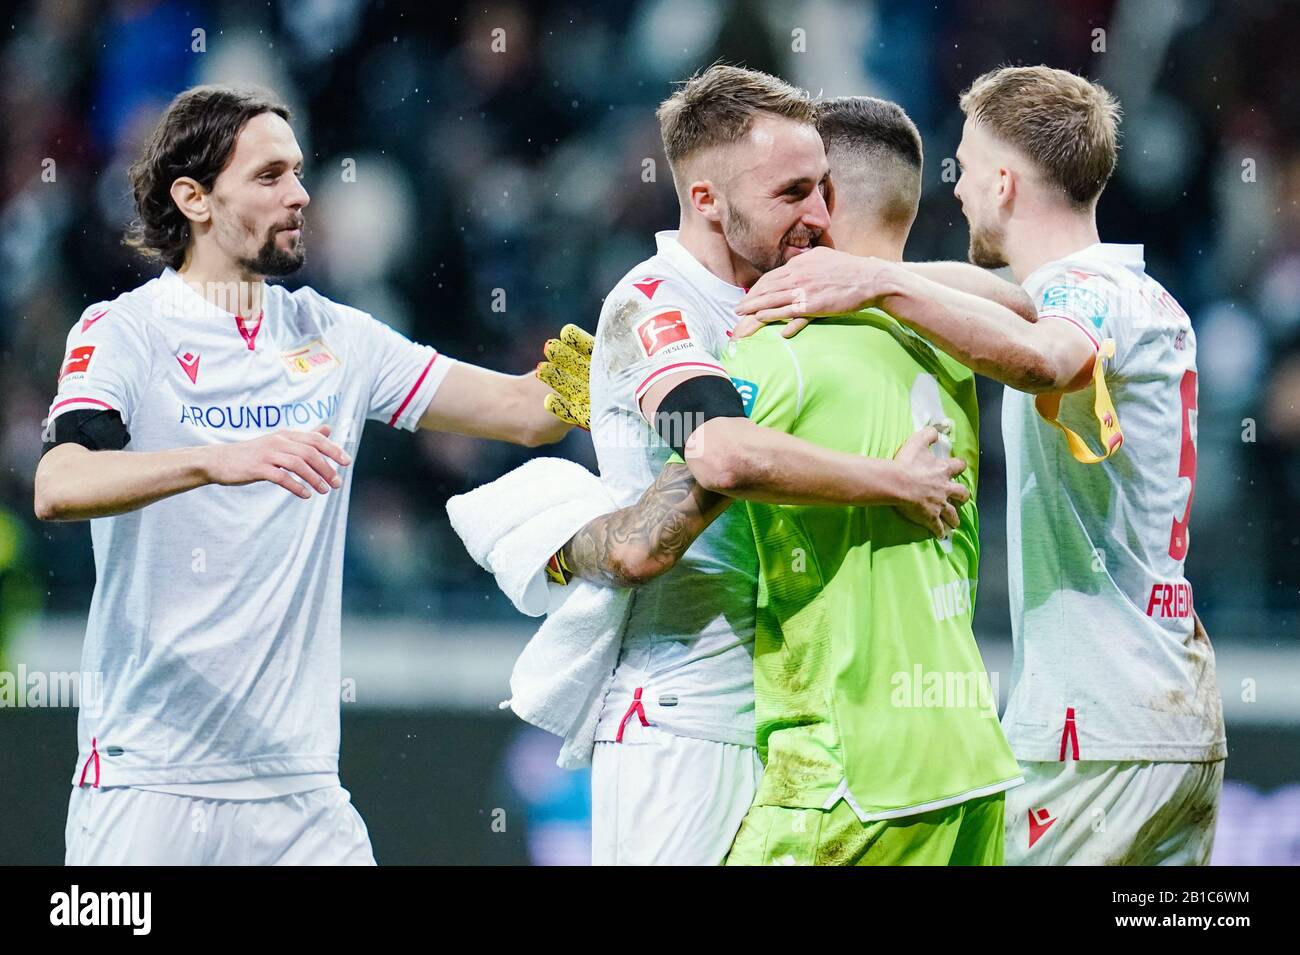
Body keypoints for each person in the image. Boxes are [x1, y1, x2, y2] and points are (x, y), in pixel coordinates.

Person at [35, 85, 573, 865]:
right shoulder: (124, 332)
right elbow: (60, 483)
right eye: (269, 176)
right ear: (194, 198)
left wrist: (619, 359)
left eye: (297, 171)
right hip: (147, 778)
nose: (300, 194)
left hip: (300, 791)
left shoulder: (335, 335)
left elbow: (525, 413)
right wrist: (212, 461)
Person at [734, 66, 1226, 866]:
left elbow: (1043, 358)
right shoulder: (1126, 291)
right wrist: (871, 274)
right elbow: (1011, 305)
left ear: (1003, 182)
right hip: (1164, 715)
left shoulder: (1086, 296)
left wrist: (874, 284)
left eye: (964, 169)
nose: (955, 192)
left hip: (1093, 728)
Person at [556, 82, 1032, 864]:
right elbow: (716, 452)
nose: (819, 214)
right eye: (793, 192)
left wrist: (887, 279)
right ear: (708, 199)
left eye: (823, 188)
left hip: (781, 708)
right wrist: (893, 480)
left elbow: (1014, 305)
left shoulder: (785, 286)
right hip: (682, 714)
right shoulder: (651, 307)